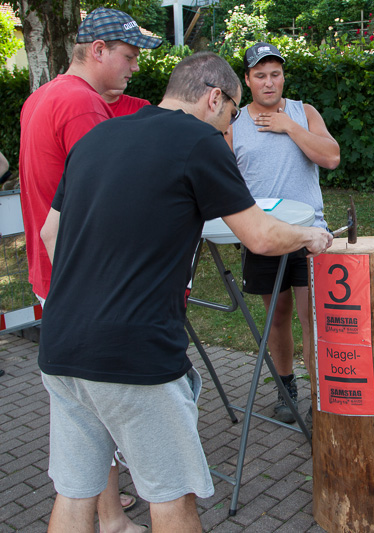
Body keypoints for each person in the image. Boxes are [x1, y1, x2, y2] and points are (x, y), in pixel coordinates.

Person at [37, 51, 332, 533]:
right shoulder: (199, 140)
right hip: (136, 354)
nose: (230, 126)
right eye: (232, 112)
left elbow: (50, 235)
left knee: (74, 494)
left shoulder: (98, 136)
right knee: (171, 496)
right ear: (215, 98)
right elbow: (259, 236)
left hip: (61, 344)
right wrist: (310, 235)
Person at [18, 7, 161, 531]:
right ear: (97, 51)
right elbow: (108, 200)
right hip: (83, 280)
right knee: (98, 409)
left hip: (52, 273)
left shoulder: (41, 96)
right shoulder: (82, 105)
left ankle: (109, 512)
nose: (135, 67)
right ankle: (111, 516)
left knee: (83, 408)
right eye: (129, 55)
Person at [226, 42, 340, 425]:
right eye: (260, 75)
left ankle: (320, 397)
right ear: (247, 80)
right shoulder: (234, 124)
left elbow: (331, 156)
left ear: (283, 77)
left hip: (311, 236)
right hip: (264, 237)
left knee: (313, 318)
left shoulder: (303, 112)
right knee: (277, 316)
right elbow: (225, 180)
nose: (269, 82)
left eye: (275, 74)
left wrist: (289, 126)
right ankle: (286, 384)